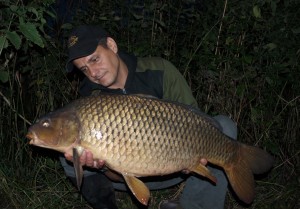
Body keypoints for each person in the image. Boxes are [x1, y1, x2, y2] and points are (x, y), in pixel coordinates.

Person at [61, 25, 237, 209]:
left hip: (175, 170)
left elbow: (196, 122)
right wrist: (100, 166)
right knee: (67, 151)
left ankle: (194, 205)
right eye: (84, 69)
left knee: (224, 127)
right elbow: (113, 171)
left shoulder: (159, 71)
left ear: (111, 46)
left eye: (95, 59)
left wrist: (192, 156)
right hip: (123, 177)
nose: (93, 73)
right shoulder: (92, 101)